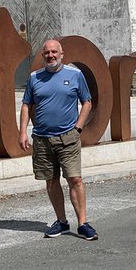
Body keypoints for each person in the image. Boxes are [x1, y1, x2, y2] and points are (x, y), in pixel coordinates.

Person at [19, 39, 97, 240]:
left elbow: (87, 102)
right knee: (51, 181)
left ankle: (83, 223)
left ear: (62, 54)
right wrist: (22, 132)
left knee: (75, 179)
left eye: (54, 52)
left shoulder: (75, 75)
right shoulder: (35, 78)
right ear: (43, 56)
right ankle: (61, 221)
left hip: (68, 138)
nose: (50, 55)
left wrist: (78, 126)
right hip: (42, 139)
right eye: (47, 53)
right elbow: (27, 105)